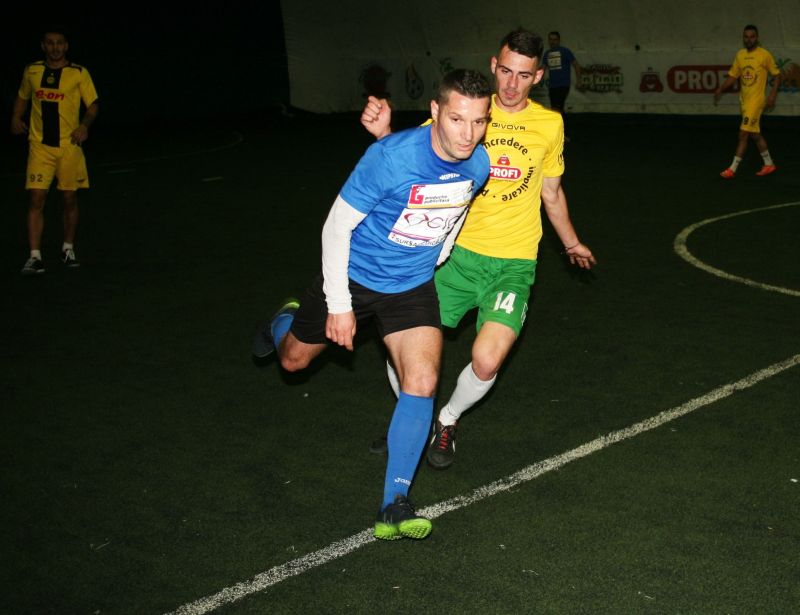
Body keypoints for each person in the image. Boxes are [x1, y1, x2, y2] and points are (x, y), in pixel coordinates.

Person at [252, 69, 492, 540]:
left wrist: (439, 254)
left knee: (422, 382)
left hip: (412, 285)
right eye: (457, 119)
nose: (468, 134)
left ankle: (394, 504)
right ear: (435, 112)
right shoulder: (388, 158)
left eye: (479, 121)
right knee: (293, 361)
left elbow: (457, 209)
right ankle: (283, 319)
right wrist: (339, 303)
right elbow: (335, 227)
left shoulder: (478, 164)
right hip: (353, 277)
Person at [361, 28, 596, 470]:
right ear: (493, 65)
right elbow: (412, 153)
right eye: (505, 71)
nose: (511, 84)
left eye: (523, 75)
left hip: (513, 264)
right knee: (400, 342)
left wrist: (571, 242)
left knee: (486, 361)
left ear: (538, 76)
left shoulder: (550, 124)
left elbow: (551, 192)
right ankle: (412, 423)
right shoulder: (470, 111)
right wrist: (384, 131)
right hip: (455, 258)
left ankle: (447, 419)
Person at [11, 25, 99, 275]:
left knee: (69, 198)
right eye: (50, 43)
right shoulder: (32, 70)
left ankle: (67, 248)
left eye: (59, 43)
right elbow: (22, 96)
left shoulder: (78, 73)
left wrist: (84, 125)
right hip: (40, 146)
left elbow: (93, 105)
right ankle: (35, 257)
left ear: (66, 46)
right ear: (43, 46)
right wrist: (16, 117)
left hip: (69, 146)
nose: (55, 47)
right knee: (36, 198)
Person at [714, 24, 781, 179]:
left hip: (757, 102)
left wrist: (772, 95)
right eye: (746, 37)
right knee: (754, 134)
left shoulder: (764, 55)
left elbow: (777, 75)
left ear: (757, 38)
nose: (749, 39)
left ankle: (732, 169)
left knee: (743, 134)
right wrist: (720, 89)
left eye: (752, 37)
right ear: (743, 38)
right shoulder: (740, 55)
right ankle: (769, 164)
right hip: (744, 101)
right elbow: (733, 76)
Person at [542, 31, 583, 137]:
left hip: (563, 85)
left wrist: (579, 80)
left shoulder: (565, 51)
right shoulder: (547, 54)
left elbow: (576, 65)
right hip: (552, 86)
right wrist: (535, 80)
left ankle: (564, 133)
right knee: (555, 109)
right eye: (550, 39)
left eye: (555, 39)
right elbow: (543, 68)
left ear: (559, 40)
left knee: (557, 108)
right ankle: (561, 133)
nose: (552, 42)